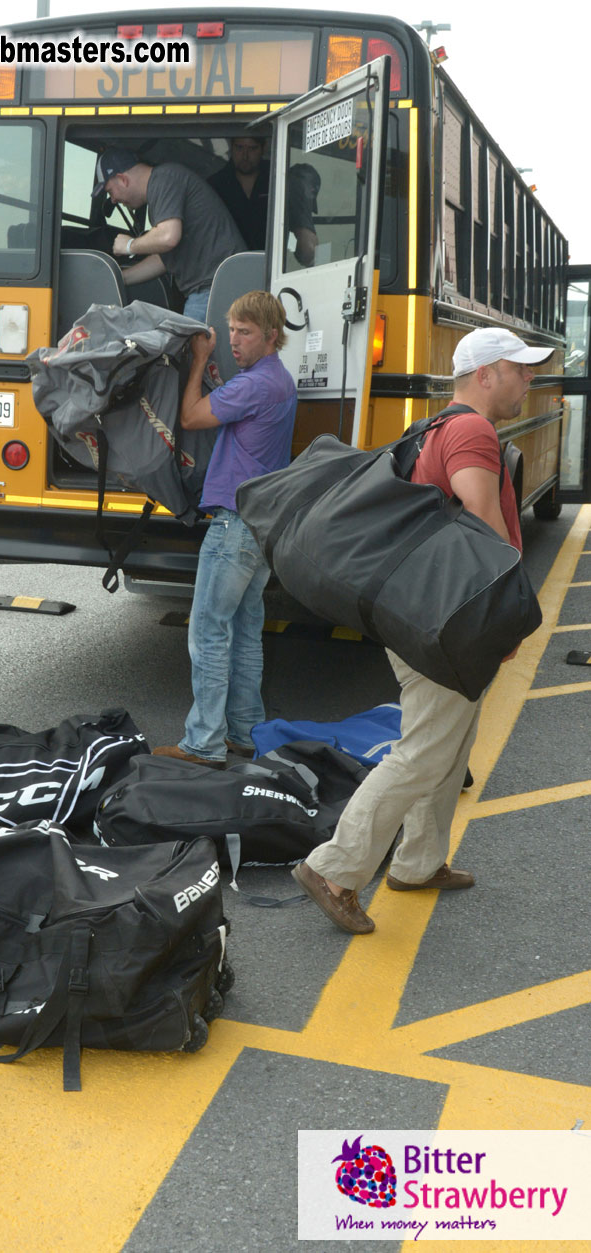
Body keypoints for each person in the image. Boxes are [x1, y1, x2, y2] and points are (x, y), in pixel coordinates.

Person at [292, 327, 554, 935]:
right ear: (486, 374)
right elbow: (483, 524)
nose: (528, 380)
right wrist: (503, 619)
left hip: (430, 615)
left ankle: (418, 862)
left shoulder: (437, 424)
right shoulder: (471, 431)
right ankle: (334, 869)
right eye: (520, 369)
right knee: (424, 751)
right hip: (451, 622)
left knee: (449, 742)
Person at [153, 291, 296, 767]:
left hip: (234, 525)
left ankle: (203, 743)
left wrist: (198, 361)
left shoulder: (256, 384)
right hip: (260, 525)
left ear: (271, 335)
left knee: (208, 632)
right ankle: (243, 730)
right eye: (232, 330)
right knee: (245, 629)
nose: (234, 340)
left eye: (245, 332)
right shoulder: (279, 381)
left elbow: (191, 416)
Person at [93, 147, 245, 323]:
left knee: (190, 349)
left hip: (213, 289)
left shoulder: (164, 179)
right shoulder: (162, 187)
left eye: (110, 191)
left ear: (122, 179)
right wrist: (121, 277)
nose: (112, 200)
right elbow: (163, 259)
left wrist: (129, 245)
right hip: (216, 287)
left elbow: (168, 237)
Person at [208, 137, 271, 251]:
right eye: (239, 148)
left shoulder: (277, 178)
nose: (245, 156)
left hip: (272, 262)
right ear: (231, 147)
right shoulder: (215, 185)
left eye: (252, 149)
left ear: (264, 148)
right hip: (227, 262)